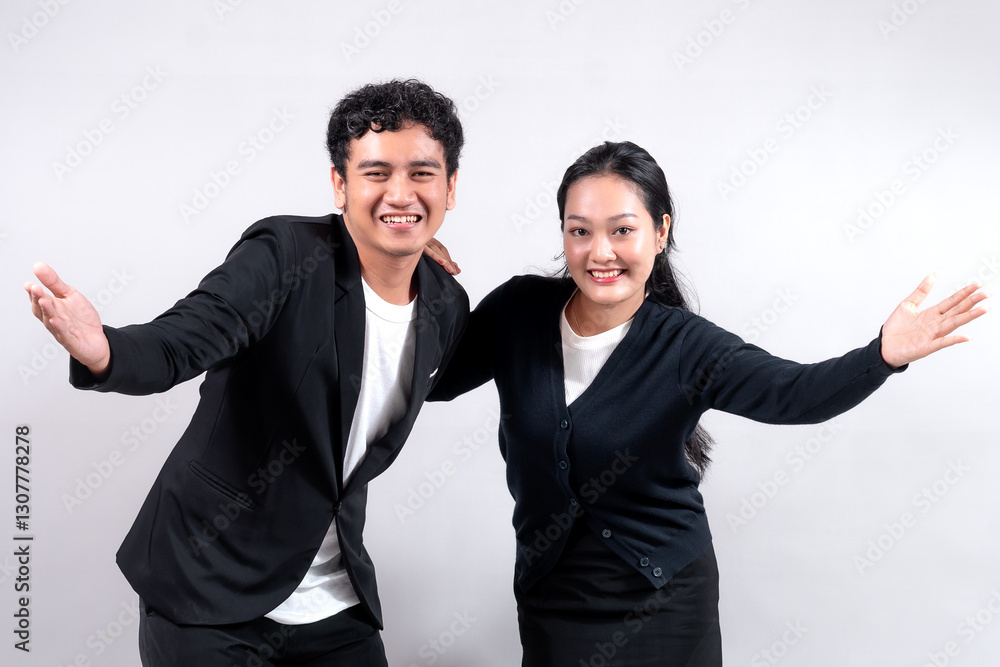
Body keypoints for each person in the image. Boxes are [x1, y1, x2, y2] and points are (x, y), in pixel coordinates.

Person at [426, 141, 989, 666]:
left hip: (665, 603)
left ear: (660, 231)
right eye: (580, 231)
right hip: (553, 597)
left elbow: (793, 394)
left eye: (622, 230)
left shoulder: (686, 347)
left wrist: (883, 355)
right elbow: (432, 379)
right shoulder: (519, 312)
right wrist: (403, 270)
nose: (600, 252)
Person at [25, 79, 469, 666]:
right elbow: (188, 337)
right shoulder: (287, 254)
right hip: (208, 589)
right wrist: (105, 349)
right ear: (340, 184)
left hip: (335, 601)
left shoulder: (445, 304)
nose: (400, 193)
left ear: (450, 187)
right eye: (376, 172)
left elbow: (472, 364)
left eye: (421, 173)